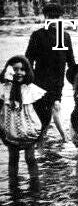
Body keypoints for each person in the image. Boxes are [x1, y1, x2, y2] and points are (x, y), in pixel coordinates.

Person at [25, 2, 73, 142]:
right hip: (39, 81)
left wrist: (76, 79)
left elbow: (71, 61)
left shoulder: (65, 36)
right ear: (45, 17)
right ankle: (44, 138)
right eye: (50, 17)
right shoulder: (37, 35)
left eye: (56, 17)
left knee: (55, 107)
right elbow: (29, 59)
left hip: (58, 81)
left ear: (61, 18)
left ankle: (60, 138)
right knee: (43, 113)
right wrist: (29, 80)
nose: (53, 20)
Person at [0, 55, 45, 187]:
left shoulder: (31, 89)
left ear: (27, 71)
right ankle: (13, 185)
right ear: (9, 70)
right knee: (13, 158)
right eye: (15, 69)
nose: (19, 72)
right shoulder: (4, 89)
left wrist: (41, 133)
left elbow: (41, 113)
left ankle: (35, 184)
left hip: (29, 131)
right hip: (10, 131)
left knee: (30, 158)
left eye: (22, 69)